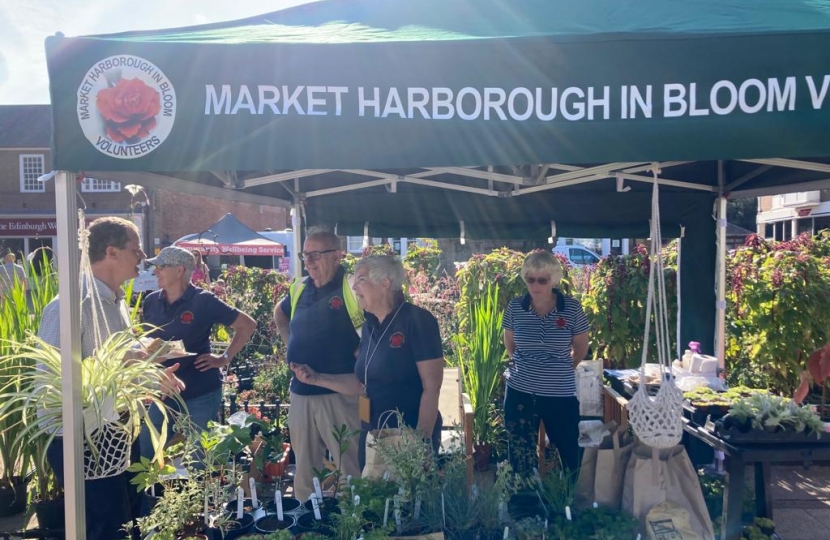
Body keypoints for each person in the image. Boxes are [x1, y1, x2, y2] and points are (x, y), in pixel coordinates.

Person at [37, 216, 185, 540]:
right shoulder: (69, 306)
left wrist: (149, 370)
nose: (144, 257)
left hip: (114, 432)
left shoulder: (114, 301)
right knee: (106, 528)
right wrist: (131, 364)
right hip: (82, 441)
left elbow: (115, 359)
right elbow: (52, 384)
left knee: (126, 521)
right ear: (111, 252)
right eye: (136, 249)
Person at [291, 255, 444, 469]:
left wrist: (421, 443)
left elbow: (432, 388)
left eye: (361, 280)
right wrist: (316, 378)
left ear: (385, 283)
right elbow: (362, 384)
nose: (354, 288)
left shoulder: (417, 321)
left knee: (407, 501)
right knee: (374, 500)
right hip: (372, 433)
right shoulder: (370, 325)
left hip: (406, 434)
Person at [138, 246, 256, 461]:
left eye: (161, 267)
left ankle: (199, 495)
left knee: (198, 459)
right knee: (146, 451)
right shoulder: (150, 301)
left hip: (201, 392)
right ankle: (148, 496)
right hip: (165, 392)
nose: (155, 272)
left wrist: (224, 358)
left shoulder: (204, 300)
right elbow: (146, 342)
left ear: (180, 270)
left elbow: (247, 324)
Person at [273, 230, 362, 501]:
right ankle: (307, 524)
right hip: (301, 393)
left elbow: (377, 323)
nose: (308, 261)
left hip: (340, 395)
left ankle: (355, 523)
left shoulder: (351, 286)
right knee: (305, 471)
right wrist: (291, 344)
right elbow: (280, 312)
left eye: (315, 254)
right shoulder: (300, 287)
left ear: (337, 256)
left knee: (351, 469)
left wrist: (366, 353)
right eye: (305, 254)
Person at [502, 250, 590, 475]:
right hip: (520, 391)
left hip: (560, 393)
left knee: (569, 454)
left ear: (554, 279)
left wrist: (560, 370)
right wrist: (528, 368)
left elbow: (580, 347)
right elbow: (510, 344)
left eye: (542, 280)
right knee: (520, 455)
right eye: (530, 279)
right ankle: (524, 506)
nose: (535, 285)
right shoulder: (515, 307)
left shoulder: (571, 308)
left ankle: (566, 504)